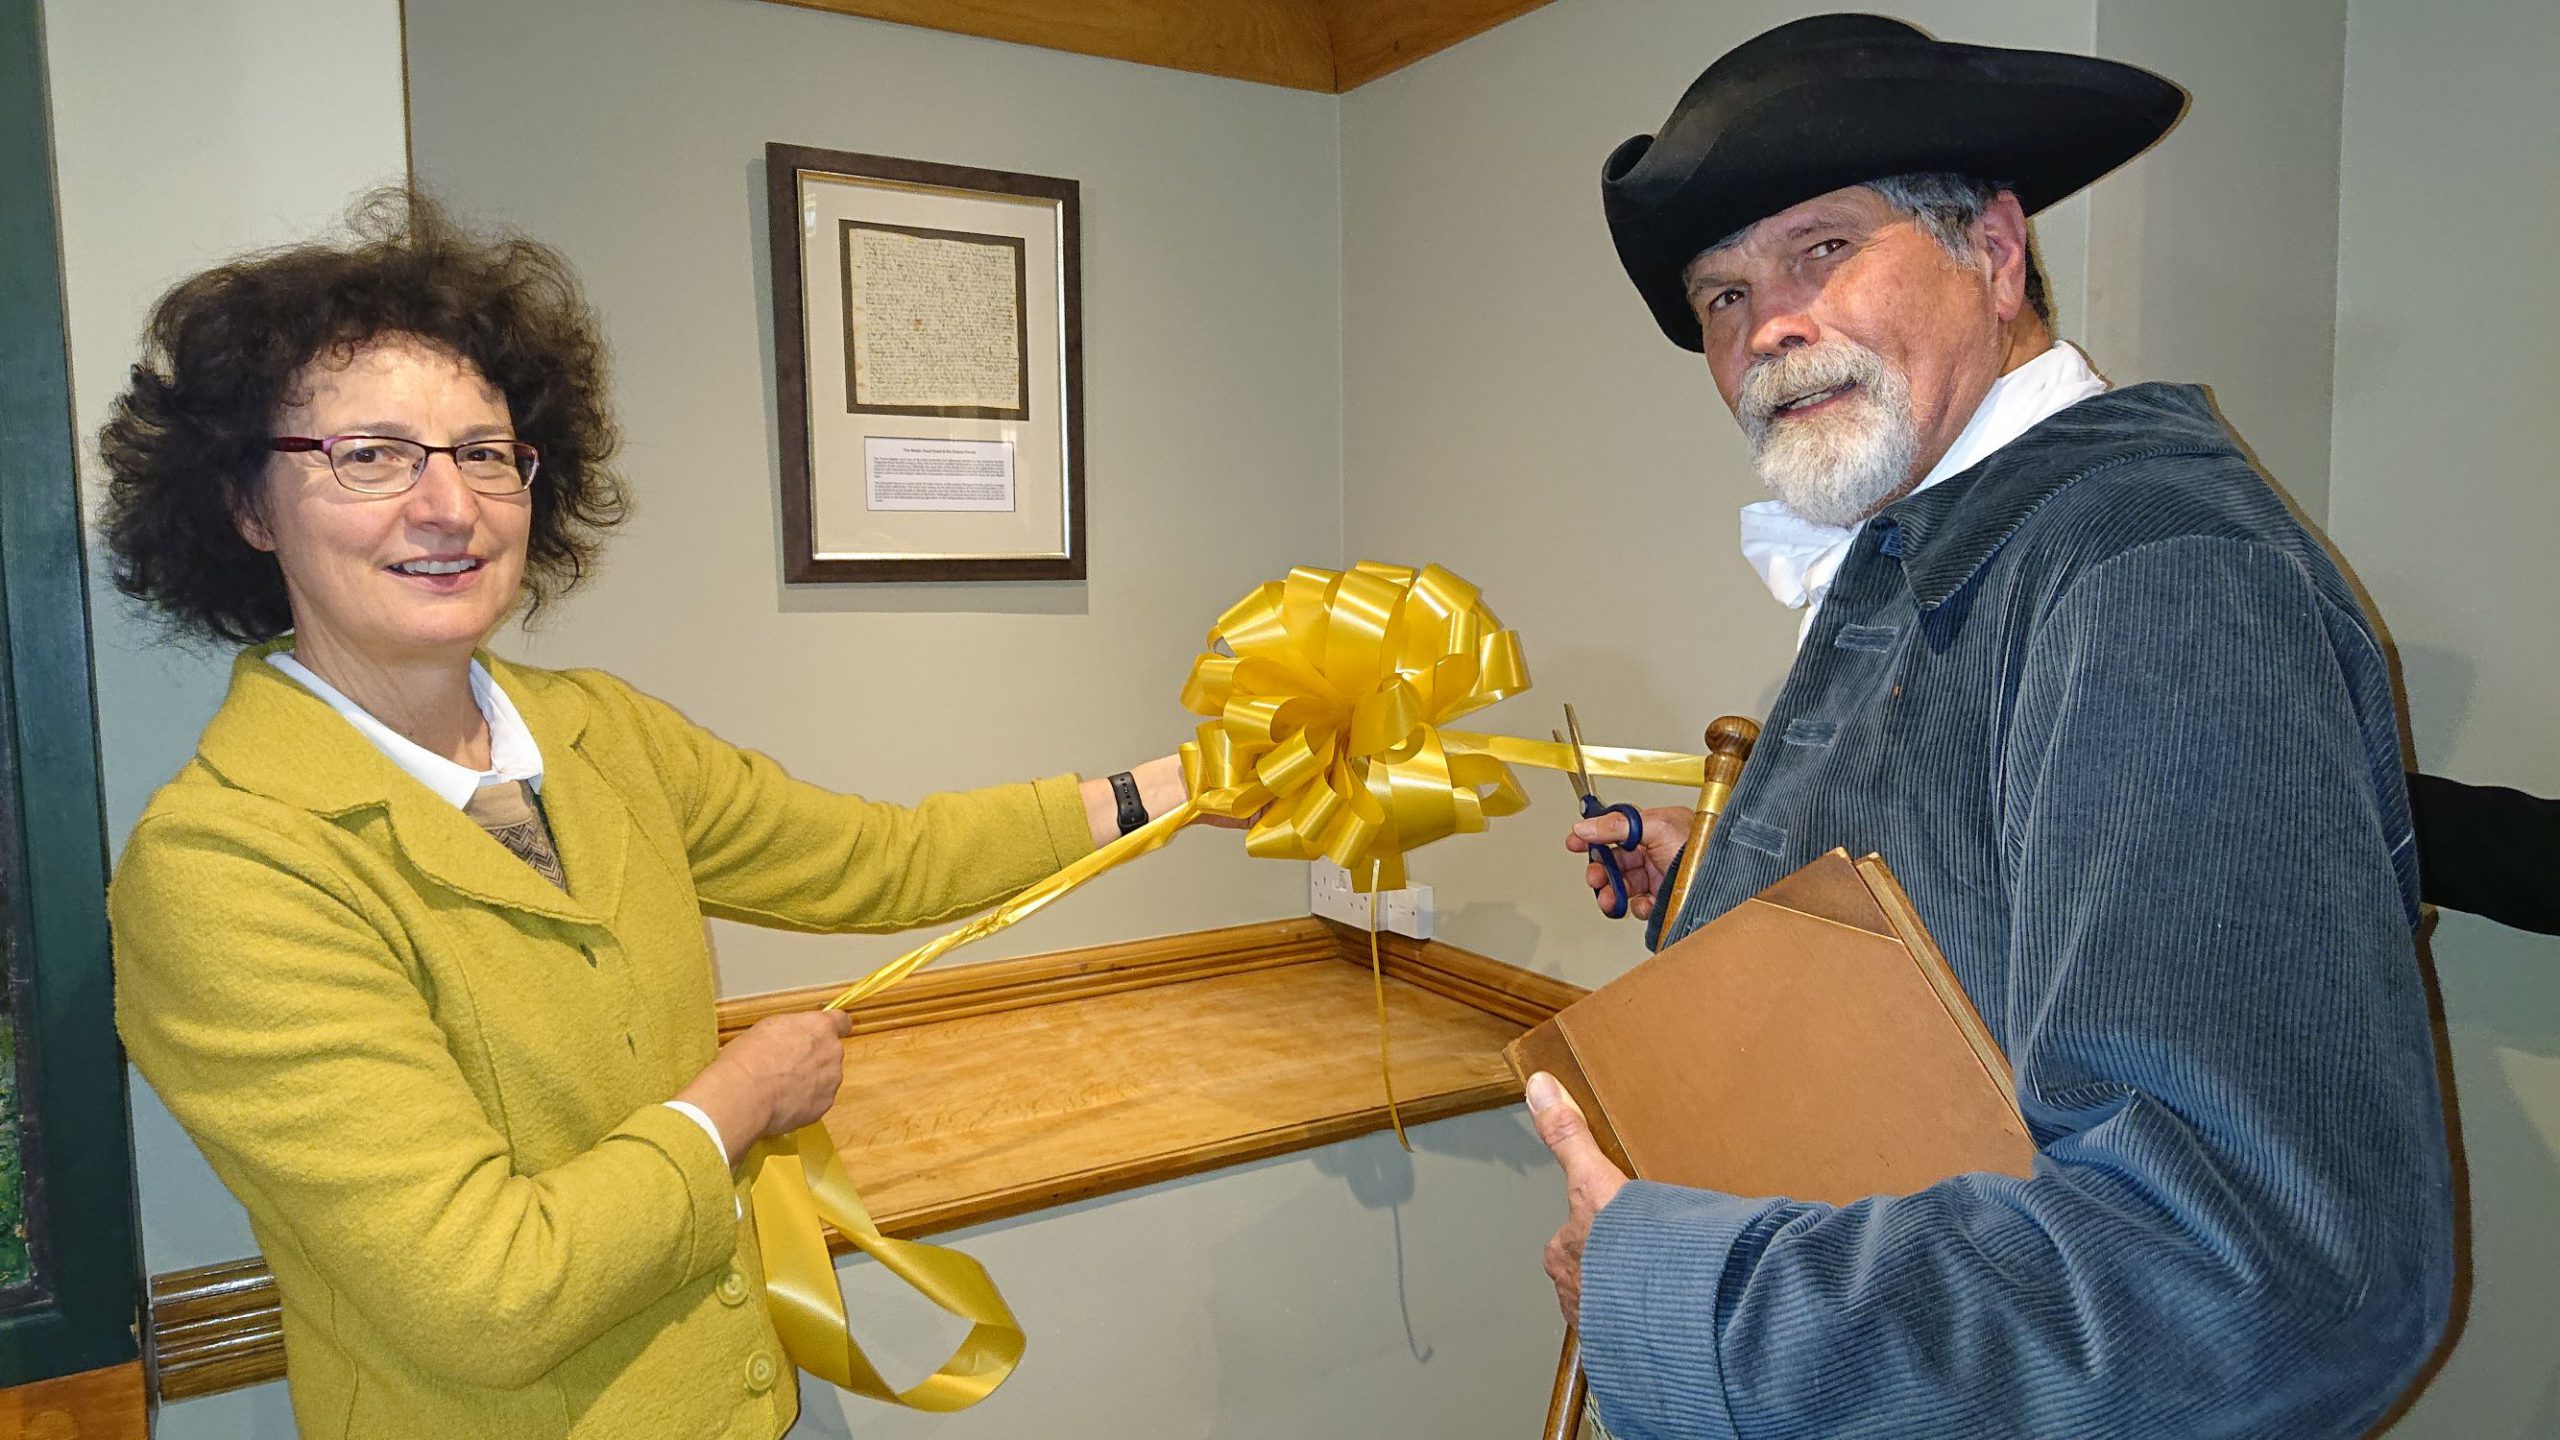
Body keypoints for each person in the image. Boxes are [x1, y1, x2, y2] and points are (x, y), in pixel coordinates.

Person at [101, 193, 1190, 1440]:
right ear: (245, 505)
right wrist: (743, 1098)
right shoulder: (228, 867)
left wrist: (1173, 788)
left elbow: (882, 860)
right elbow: (487, 1293)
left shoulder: (601, 736)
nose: (448, 506)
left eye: (484, 452)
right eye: (371, 455)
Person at [1534, 16, 2454, 1438]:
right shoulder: (1938, 544)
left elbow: (2259, 1277)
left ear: (1997, 252)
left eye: (1822, 250)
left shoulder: (2151, 572)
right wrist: (1712, 885)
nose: (1767, 325)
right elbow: (1968, 933)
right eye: (1722, 297)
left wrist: (1679, 1292)